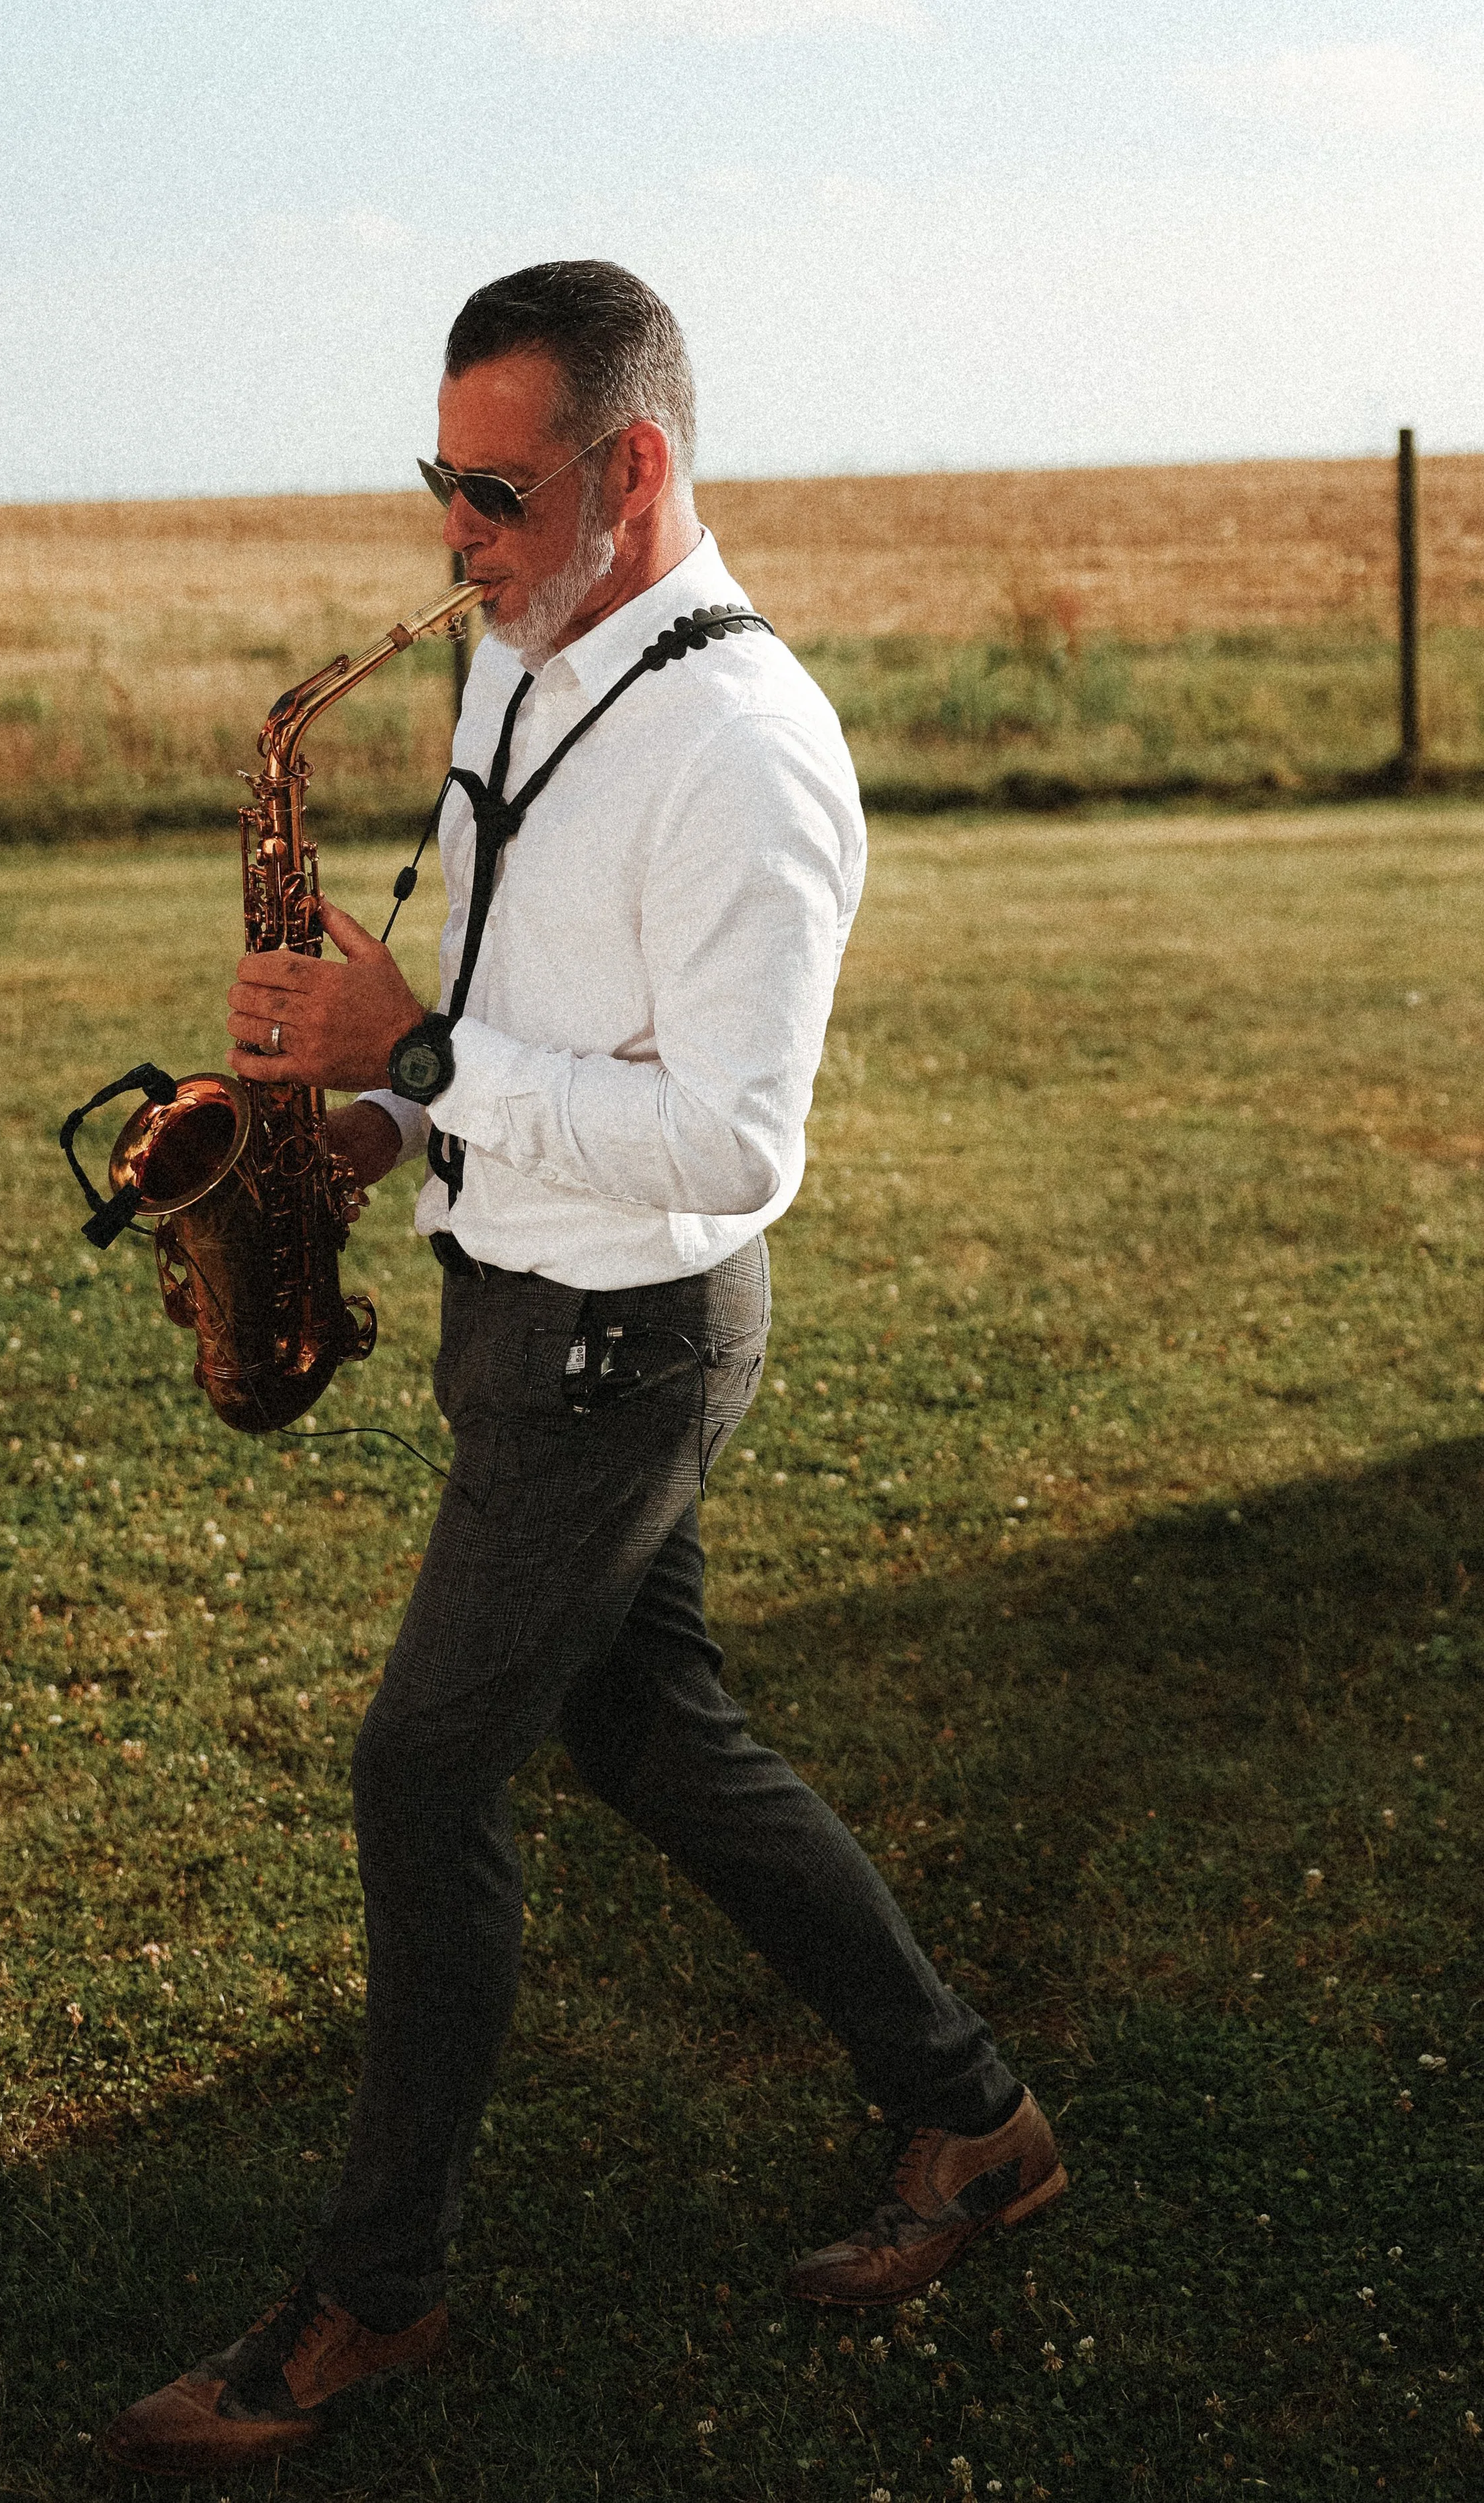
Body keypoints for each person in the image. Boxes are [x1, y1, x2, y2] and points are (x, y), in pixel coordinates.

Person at [101, 260, 1064, 2477]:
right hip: (509, 1291)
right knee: (657, 1728)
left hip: (629, 1336)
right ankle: (971, 2115)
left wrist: (421, 1046)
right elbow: (524, 985)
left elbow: (738, 1140)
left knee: (424, 1772)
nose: (456, 533)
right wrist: (373, 1119)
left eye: (497, 490)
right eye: (438, 482)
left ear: (632, 470)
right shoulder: (524, 670)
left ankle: (369, 2291)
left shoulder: (745, 751)